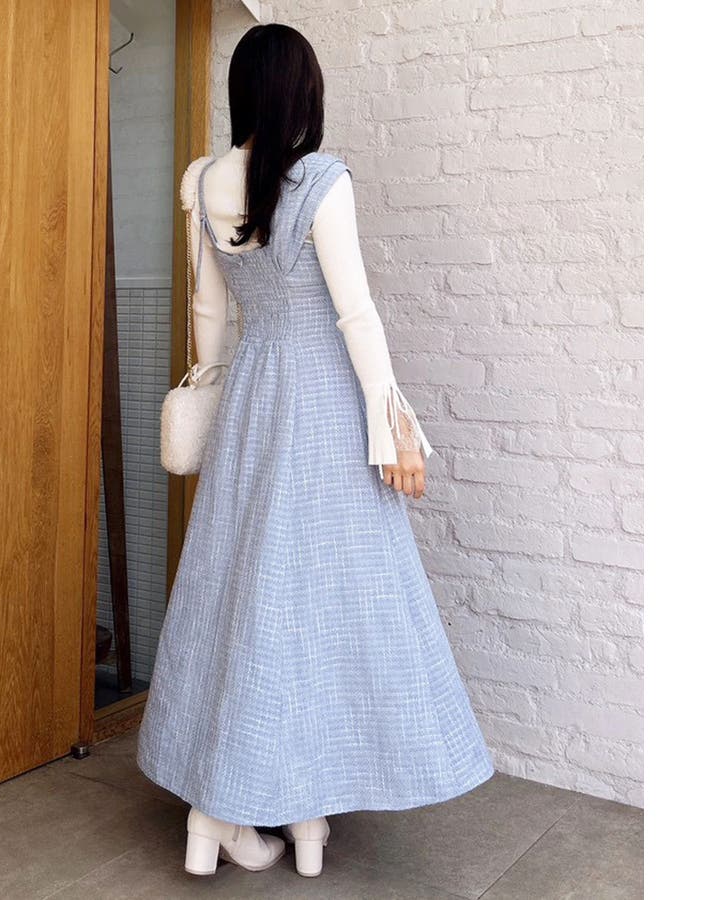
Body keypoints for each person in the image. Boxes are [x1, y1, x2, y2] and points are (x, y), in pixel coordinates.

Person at [137, 22, 494, 878]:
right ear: (303, 92)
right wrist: (391, 418)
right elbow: (354, 312)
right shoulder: (320, 182)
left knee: (242, 589)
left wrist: (213, 389)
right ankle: (270, 815)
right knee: (320, 598)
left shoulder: (203, 182)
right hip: (325, 404)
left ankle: (260, 817)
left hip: (252, 400)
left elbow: (210, 314)